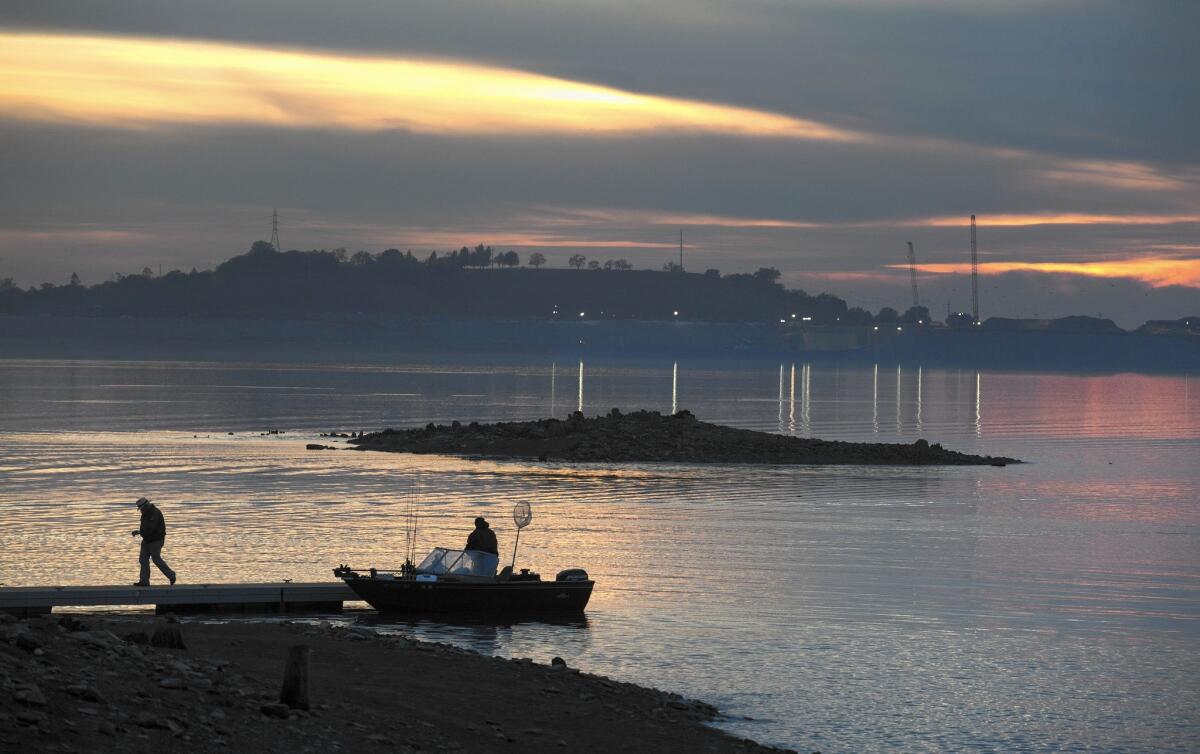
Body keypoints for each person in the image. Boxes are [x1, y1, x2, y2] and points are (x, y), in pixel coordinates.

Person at [131, 497, 176, 586]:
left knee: (156, 559)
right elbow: (146, 529)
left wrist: (141, 532)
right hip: (147, 540)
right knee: (143, 560)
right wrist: (139, 532)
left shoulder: (154, 513)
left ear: (146, 506)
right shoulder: (145, 514)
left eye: (141, 508)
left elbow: (151, 529)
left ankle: (171, 575)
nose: (141, 510)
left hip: (156, 540)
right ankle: (144, 581)